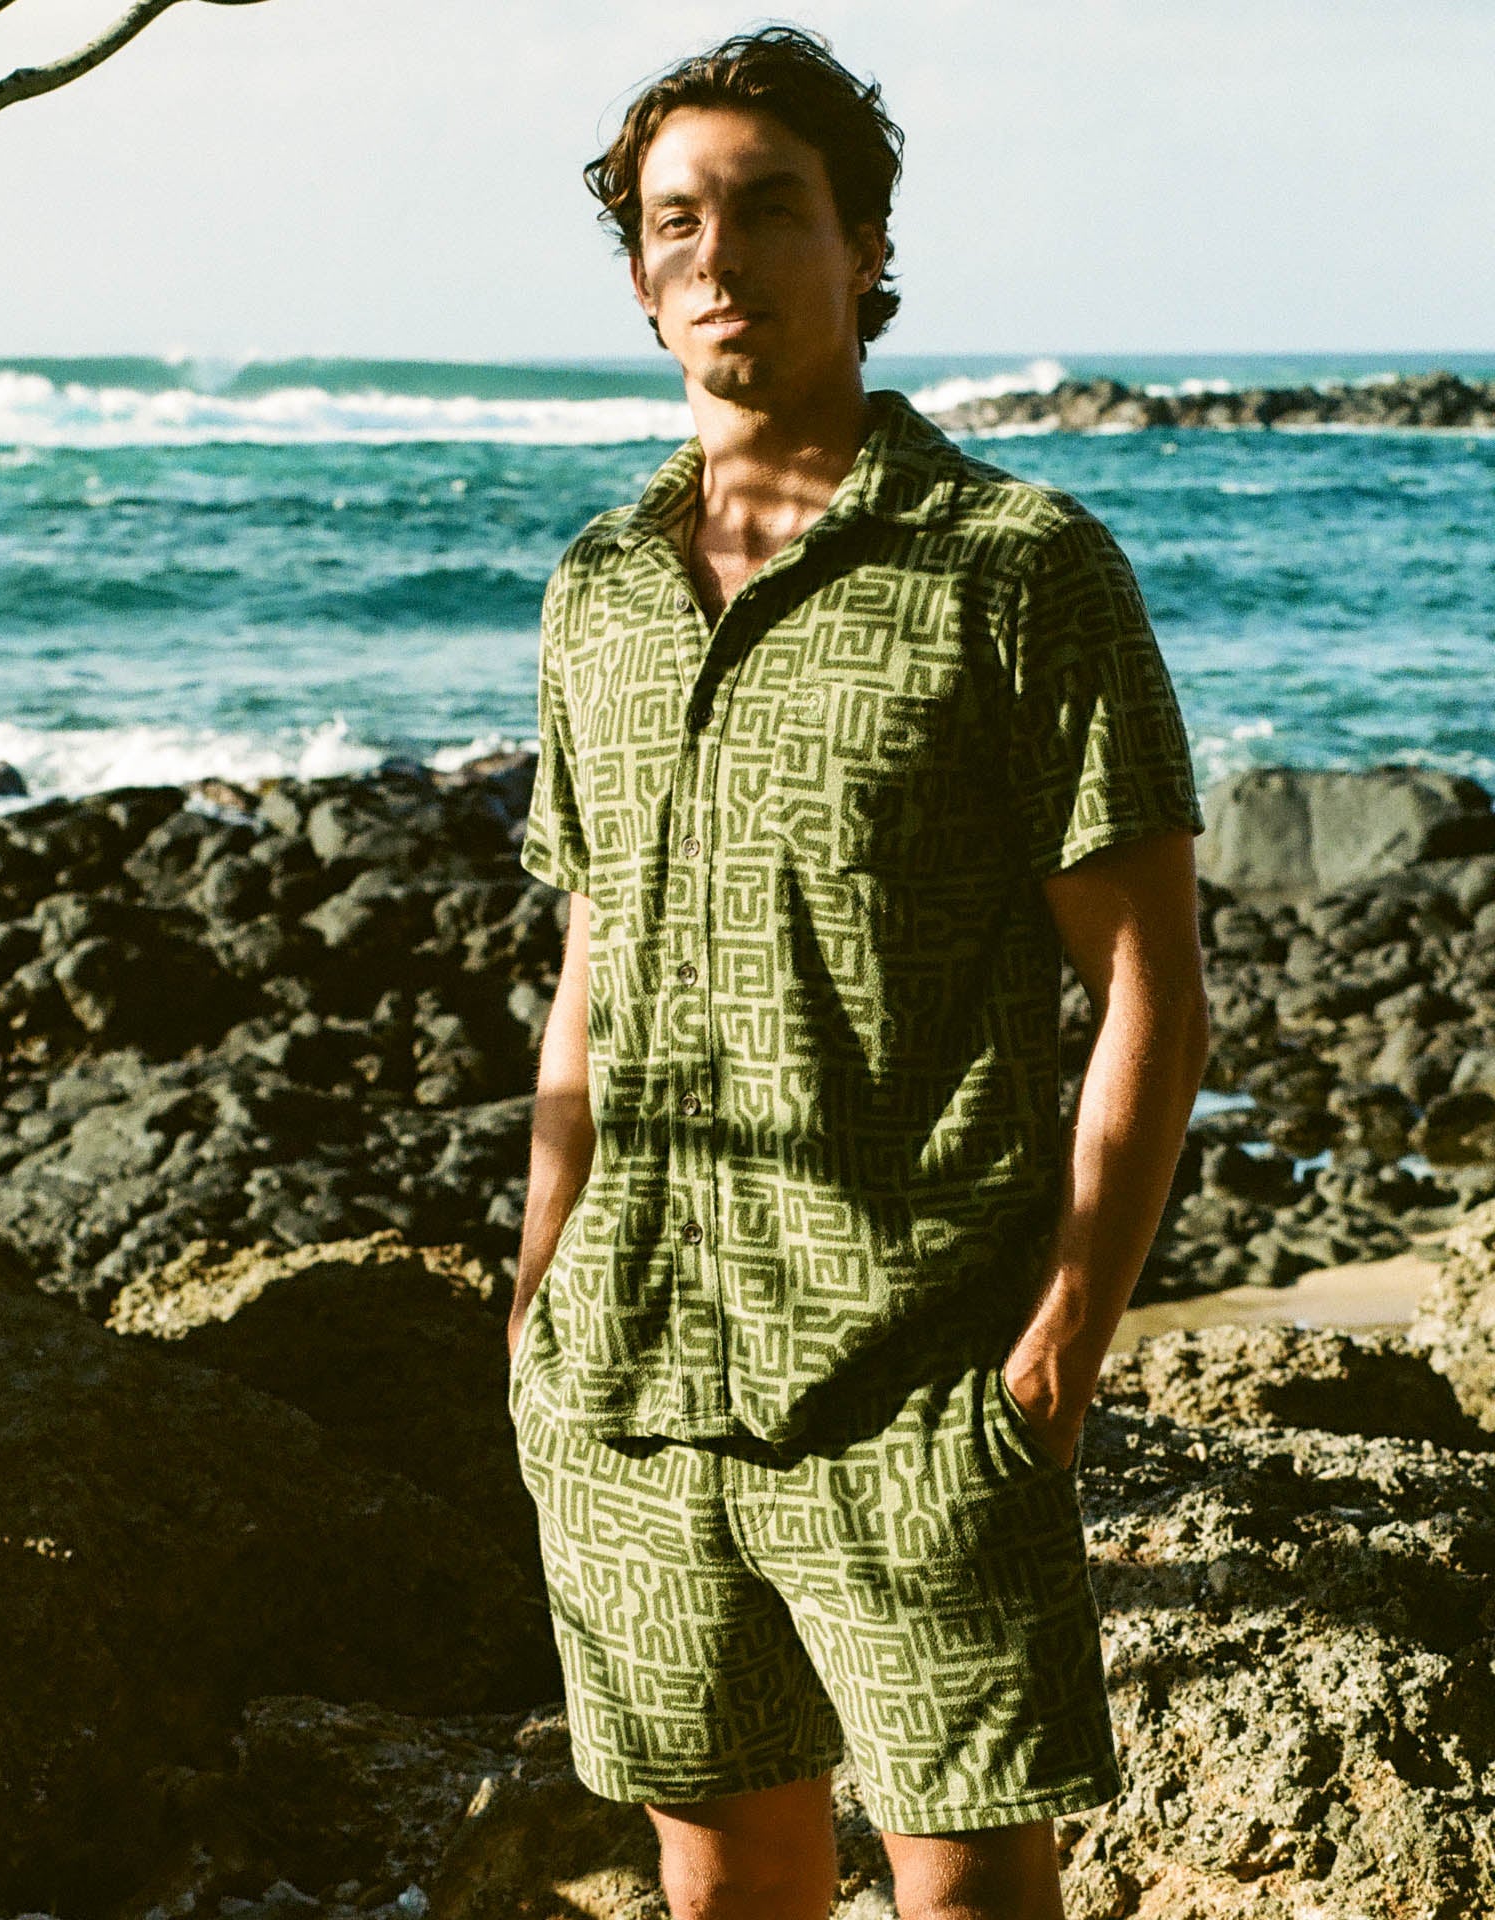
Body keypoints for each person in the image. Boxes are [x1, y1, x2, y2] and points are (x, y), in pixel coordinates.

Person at [507, 24, 1209, 1920]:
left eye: (768, 208)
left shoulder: (1020, 570)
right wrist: (536, 1286)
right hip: (629, 1378)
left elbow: (1149, 981)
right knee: (725, 1883)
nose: (716, 256)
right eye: (673, 222)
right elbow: (593, 944)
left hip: (916, 1375)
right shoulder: (599, 590)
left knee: (970, 1891)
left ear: (868, 248)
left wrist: (1068, 1336)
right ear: (642, 276)